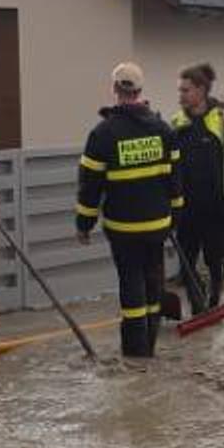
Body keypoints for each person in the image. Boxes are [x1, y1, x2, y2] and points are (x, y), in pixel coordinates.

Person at [75, 62, 181, 362]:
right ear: (140, 91)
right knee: (153, 282)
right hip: (159, 224)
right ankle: (150, 346)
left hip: (123, 228)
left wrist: (84, 223)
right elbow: (176, 182)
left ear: (115, 90)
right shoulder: (164, 131)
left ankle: (135, 354)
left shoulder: (103, 134)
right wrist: (176, 218)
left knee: (131, 284)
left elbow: (89, 187)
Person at [171, 62, 224, 313]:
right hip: (185, 210)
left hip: (216, 208)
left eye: (186, 90)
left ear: (202, 90)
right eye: (180, 91)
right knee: (186, 265)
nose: (180, 96)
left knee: (216, 262)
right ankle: (197, 306)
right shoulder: (175, 126)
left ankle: (214, 302)